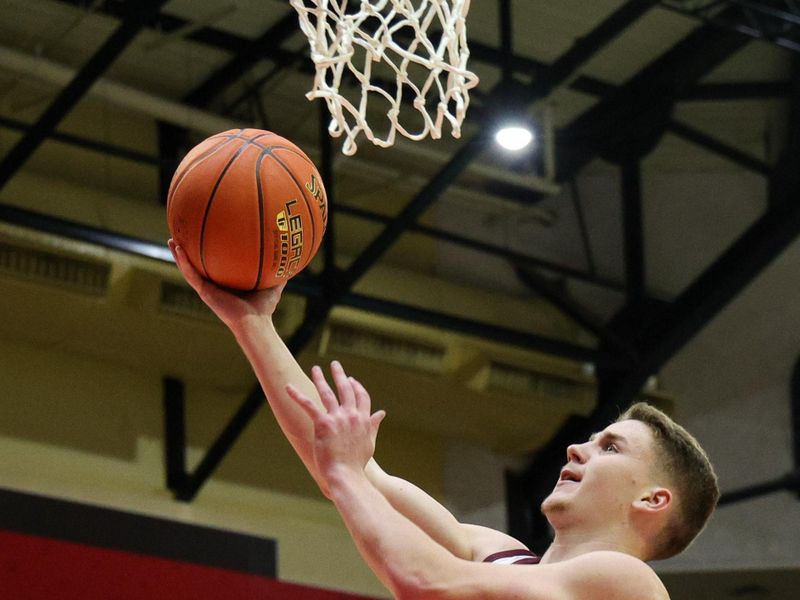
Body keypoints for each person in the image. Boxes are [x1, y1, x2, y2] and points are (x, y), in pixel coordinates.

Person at [169, 239, 719, 600]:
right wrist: (253, 323)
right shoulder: (495, 555)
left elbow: (425, 582)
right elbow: (351, 470)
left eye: (611, 448)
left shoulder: (625, 582)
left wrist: (344, 474)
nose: (578, 449)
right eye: (593, 440)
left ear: (653, 500)